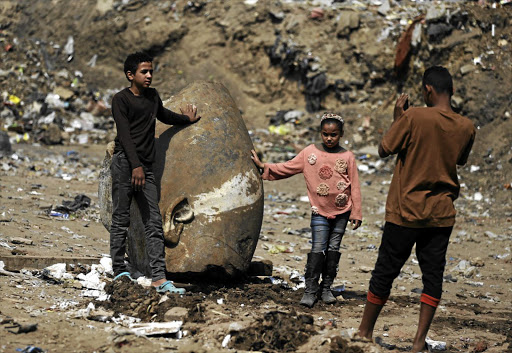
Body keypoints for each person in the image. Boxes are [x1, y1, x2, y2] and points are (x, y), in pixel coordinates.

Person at [356, 66, 476, 352]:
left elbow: (385, 147)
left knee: (385, 271)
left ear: (427, 90)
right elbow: (458, 161)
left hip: (405, 211)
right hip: (441, 214)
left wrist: (399, 118)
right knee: (433, 276)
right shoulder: (466, 126)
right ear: (453, 91)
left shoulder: (413, 117)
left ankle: (364, 332)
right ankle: (419, 342)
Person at [110, 51, 200, 294]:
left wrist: (186, 119)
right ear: (131, 75)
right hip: (125, 165)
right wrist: (135, 166)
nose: (149, 75)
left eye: (151, 71)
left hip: (145, 169)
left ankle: (159, 278)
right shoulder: (121, 100)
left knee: (153, 222)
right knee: (121, 219)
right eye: (144, 72)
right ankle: (119, 271)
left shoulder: (152, 97)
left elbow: (164, 115)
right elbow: (125, 135)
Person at [251, 113, 362, 308]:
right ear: (320, 133)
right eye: (325, 134)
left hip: (343, 211)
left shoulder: (347, 156)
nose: (329, 138)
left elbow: (355, 185)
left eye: (334, 135)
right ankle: (311, 290)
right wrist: (264, 167)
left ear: (341, 134)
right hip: (319, 211)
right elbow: (288, 167)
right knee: (317, 249)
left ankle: (326, 289)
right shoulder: (309, 153)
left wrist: (356, 212)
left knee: (333, 250)